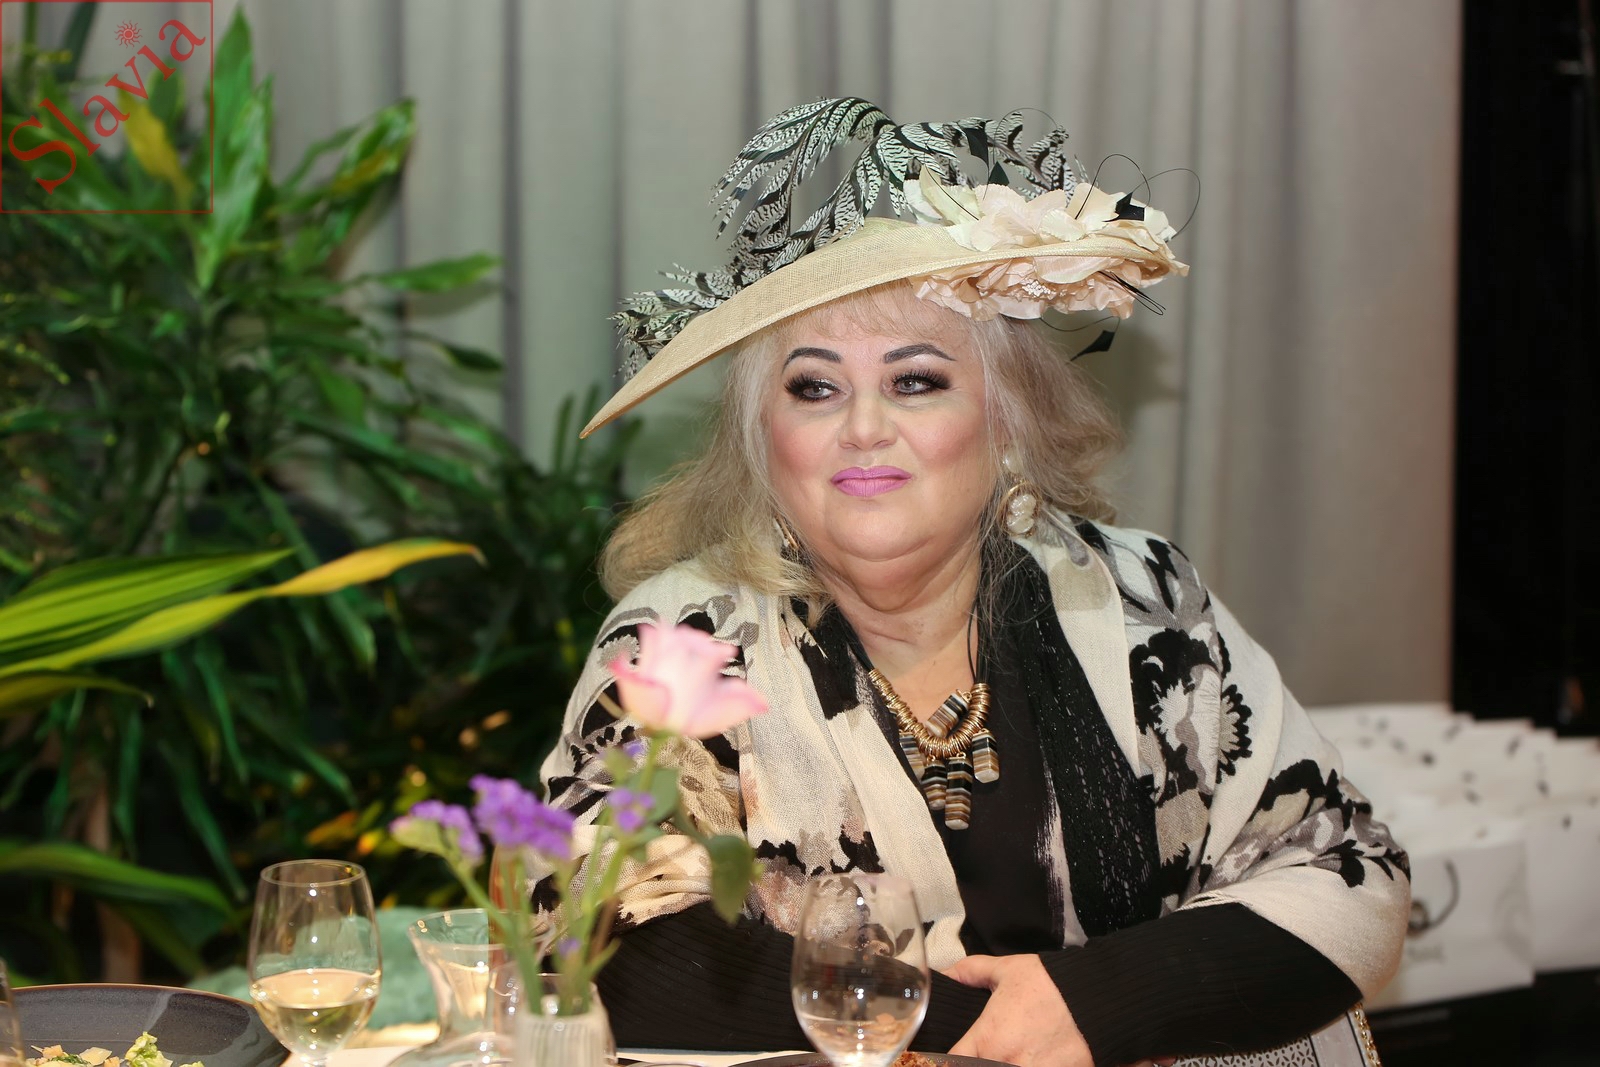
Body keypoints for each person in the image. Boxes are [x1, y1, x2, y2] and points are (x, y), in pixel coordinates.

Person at [536, 98, 1410, 1067]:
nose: (863, 427)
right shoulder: (680, 639)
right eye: (814, 387)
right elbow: (603, 936)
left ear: (1007, 423)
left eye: (916, 380)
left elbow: (1347, 870)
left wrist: (1096, 1003)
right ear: (762, 444)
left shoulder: (1140, 598)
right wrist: (986, 1038)